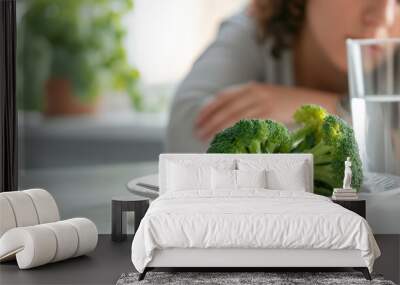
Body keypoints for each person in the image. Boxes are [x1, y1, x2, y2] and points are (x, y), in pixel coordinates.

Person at [166, 0, 400, 152]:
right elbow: (187, 130)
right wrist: (374, 135)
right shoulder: (254, 29)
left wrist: (325, 110)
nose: (384, 17)